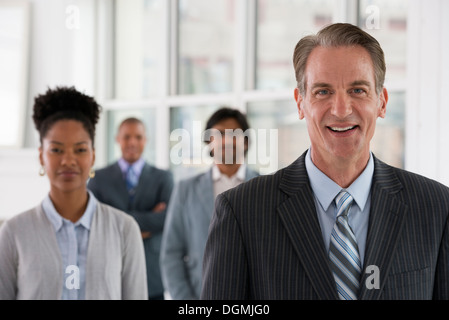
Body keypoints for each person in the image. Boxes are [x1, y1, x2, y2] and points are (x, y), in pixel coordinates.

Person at [201, 23, 449, 300]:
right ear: (300, 103)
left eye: (357, 90)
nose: (341, 110)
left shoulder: (436, 207)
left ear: (382, 101)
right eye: (323, 92)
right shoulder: (241, 212)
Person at [0, 86, 147, 300]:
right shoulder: (14, 233)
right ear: (41, 156)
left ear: (93, 156)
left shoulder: (124, 229)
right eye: (57, 150)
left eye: (80, 149)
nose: (68, 160)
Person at [160, 107, 259, 299]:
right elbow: (171, 254)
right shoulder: (185, 190)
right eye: (219, 134)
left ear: (245, 142)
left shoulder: (264, 187)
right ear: (209, 142)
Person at [87, 117, 173, 300]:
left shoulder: (163, 178)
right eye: (127, 137)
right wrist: (148, 221)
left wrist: (116, 219)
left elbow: (167, 219)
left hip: (152, 274)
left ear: (146, 140)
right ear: (117, 139)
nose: (132, 142)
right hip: (109, 269)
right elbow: (93, 219)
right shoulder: (98, 179)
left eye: (138, 137)